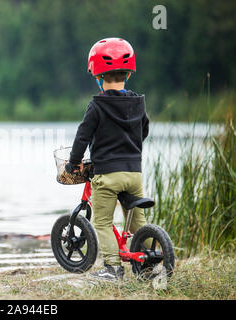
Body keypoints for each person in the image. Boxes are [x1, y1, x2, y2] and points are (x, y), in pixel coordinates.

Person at [65, 38, 150, 281]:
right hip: (134, 173)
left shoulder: (97, 105)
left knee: (102, 222)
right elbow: (144, 130)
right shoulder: (138, 102)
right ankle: (150, 260)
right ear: (128, 75)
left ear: (97, 77)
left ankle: (112, 269)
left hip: (107, 175)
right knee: (137, 222)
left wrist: (74, 162)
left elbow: (83, 136)